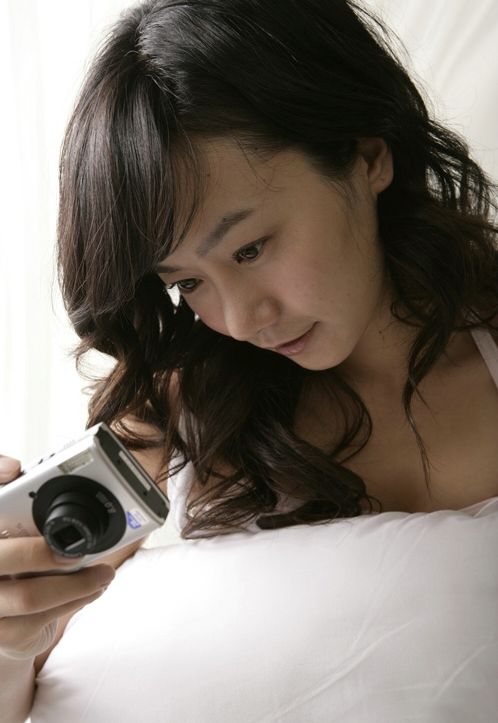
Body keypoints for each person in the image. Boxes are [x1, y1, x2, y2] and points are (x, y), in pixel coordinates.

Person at [1, 0, 497, 720]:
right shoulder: (176, 420)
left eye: (251, 249)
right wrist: (11, 642)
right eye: (186, 283)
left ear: (367, 154)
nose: (240, 320)